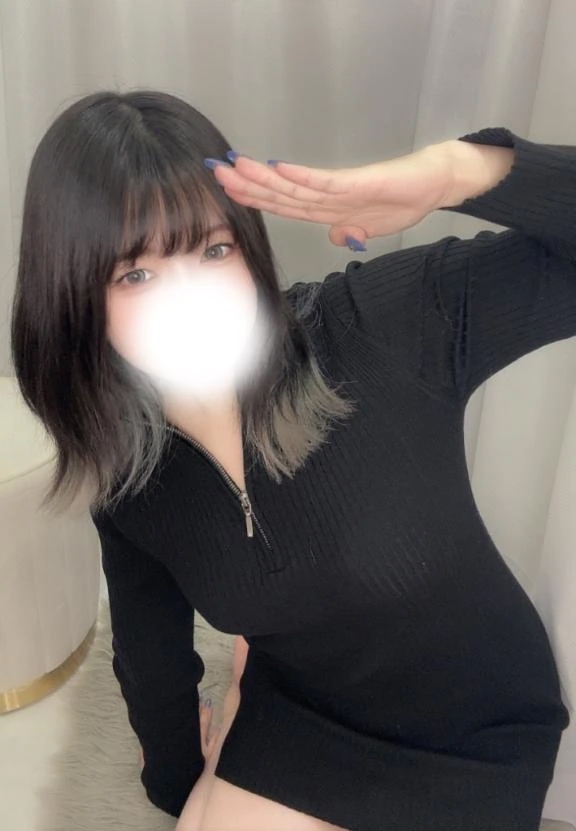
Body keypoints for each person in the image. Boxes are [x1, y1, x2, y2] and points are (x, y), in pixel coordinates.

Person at [10, 89, 575, 831]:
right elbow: (152, 655)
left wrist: (457, 173)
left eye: (214, 249)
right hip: (304, 706)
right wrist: (179, 783)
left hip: (473, 725)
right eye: (135, 275)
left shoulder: (378, 326)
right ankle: (247, 688)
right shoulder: (130, 474)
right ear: (75, 302)